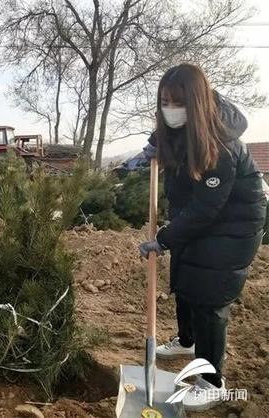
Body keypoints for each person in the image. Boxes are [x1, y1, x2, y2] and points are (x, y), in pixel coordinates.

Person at [139, 64, 267, 412]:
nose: (170, 109)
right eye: (164, 102)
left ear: (194, 104)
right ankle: (187, 341)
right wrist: (153, 146)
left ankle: (212, 383)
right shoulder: (185, 124)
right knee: (185, 276)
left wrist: (163, 239)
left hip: (234, 224)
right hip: (200, 215)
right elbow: (168, 135)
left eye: (177, 103)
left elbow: (205, 210)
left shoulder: (221, 144)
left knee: (208, 296)